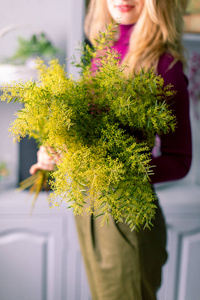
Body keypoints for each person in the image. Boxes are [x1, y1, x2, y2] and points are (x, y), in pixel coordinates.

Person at [30, 0, 192, 299]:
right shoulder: (104, 50)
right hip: (90, 208)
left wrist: (111, 168)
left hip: (128, 213)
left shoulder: (164, 65)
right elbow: (90, 132)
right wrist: (56, 151)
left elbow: (180, 161)